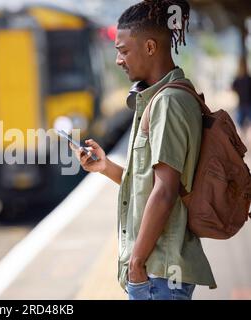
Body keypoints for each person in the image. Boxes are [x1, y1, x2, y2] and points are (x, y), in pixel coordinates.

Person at [72, 0, 216, 300]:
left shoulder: (168, 103)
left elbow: (165, 191)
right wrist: (105, 167)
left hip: (158, 274)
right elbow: (152, 183)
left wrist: (136, 264)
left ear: (150, 47)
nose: (118, 60)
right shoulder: (161, 98)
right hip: (157, 274)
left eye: (123, 50)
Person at [232, 58, 251, 132]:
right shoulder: (246, 79)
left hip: (245, 104)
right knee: (241, 124)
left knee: (241, 124)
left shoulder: (240, 79)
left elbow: (233, 88)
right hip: (245, 104)